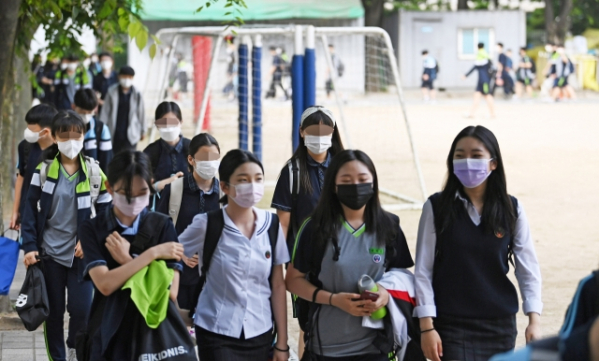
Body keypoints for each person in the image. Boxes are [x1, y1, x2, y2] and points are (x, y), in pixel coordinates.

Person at [414, 125, 543, 361]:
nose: (467, 162)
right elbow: (423, 271)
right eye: (459, 156)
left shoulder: (512, 209)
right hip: (450, 324)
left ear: (493, 163)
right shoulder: (436, 207)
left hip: (499, 324)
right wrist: (427, 326)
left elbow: (527, 268)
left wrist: (534, 319)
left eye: (476, 155)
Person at [285, 149, 415, 360]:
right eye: (346, 180)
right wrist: (334, 300)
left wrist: (384, 293)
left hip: (377, 348)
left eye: (363, 179)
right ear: (334, 187)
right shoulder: (315, 227)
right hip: (325, 348)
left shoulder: (389, 226)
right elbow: (292, 281)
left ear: (373, 183)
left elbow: (402, 277)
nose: (355, 186)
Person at [178, 149, 290, 361]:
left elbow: (277, 285)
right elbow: (169, 253)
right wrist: (172, 301)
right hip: (216, 332)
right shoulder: (207, 224)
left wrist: (282, 343)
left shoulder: (271, 225)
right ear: (224, 187)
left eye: (258, 179)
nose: (252, 185)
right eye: (243, 179)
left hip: (261, 331)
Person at [20, 110, 112, 361]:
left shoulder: (94, 172)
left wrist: (90, 240)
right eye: (66, 135)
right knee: (54, 313)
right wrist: (29, 247)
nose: (72, 140)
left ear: (83, 137)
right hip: (48, 255)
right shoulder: (43, 171)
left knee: (82, 310)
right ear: (56, 139)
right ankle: (58, 358)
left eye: (77, 135)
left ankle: (75, 350)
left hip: (81, 256)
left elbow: (107, 210)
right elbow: (29, 212)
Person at [78, 150, 185, 360]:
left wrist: (127, 260)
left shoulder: (162, 225)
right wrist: (152, 254)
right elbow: (106, 284)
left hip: (152, 334)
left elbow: (171, 291)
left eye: (142, 192)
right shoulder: (93, 228)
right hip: (108, 331)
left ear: (151, 184)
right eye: (126, 193)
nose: (134, 200)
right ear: (109, 187)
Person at [271, 105, 344, 357]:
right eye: (314, 132)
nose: (320, 138)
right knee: (308, 323)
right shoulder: (292, 172)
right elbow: (283, 223)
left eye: (326, 132)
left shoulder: (344, 167)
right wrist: (278, 265)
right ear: (301, 132)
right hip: (305, 263)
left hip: (345, 256)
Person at [156, 133, 221, 313]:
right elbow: (159, 229)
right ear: (191, 159)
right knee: (181, 331)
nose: (210, 163)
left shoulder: (225, 195)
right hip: (179, 277)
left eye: (214, 158)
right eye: (204, 158)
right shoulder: (175, 190)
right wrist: (181, 253)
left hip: (214, 279)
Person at [10, 104, 58, 231]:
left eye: (32, 130)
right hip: (28, 215)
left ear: (46, 132)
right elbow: (21, 177)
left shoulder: (62, 150)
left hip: (53, 217)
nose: (28, 133)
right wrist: (16, 211)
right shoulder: (25, 147)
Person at [143, 101, 190, 194]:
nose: (169, 127)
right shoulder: (150, 153)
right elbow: (140, 189)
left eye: (173, 123)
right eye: (163, 123)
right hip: (159, 206)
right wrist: (160, 185)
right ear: (156, 125)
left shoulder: (193, 148)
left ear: (181, 122)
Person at [99, 65, 145, 155]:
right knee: (115, 158)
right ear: (119, 77)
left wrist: (143, 130)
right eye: (124, 76)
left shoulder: (137, 93)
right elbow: (105, 112)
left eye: (129, 77)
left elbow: (141, 113)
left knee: (130, 159)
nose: (126, 79)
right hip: (114, 132)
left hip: (131, 133)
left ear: (132, 78)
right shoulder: (111, 91)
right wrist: (101, 129)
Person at [73, 88, 113, 172]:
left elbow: (106, 162)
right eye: (82, 112)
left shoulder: (101, 129)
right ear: (73, 106)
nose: (86, 116)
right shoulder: (63, 127)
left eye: (89, 112)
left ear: (95, 109)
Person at [463, 43, 496, 118]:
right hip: (483, 81)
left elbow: (473, 67)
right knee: (477, 96)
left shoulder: (479, 56)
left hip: (484, 81)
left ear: (477, 47)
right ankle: (471, 113)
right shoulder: (487, 57)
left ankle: (492, 114)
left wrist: (465, 75)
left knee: (487, 96)